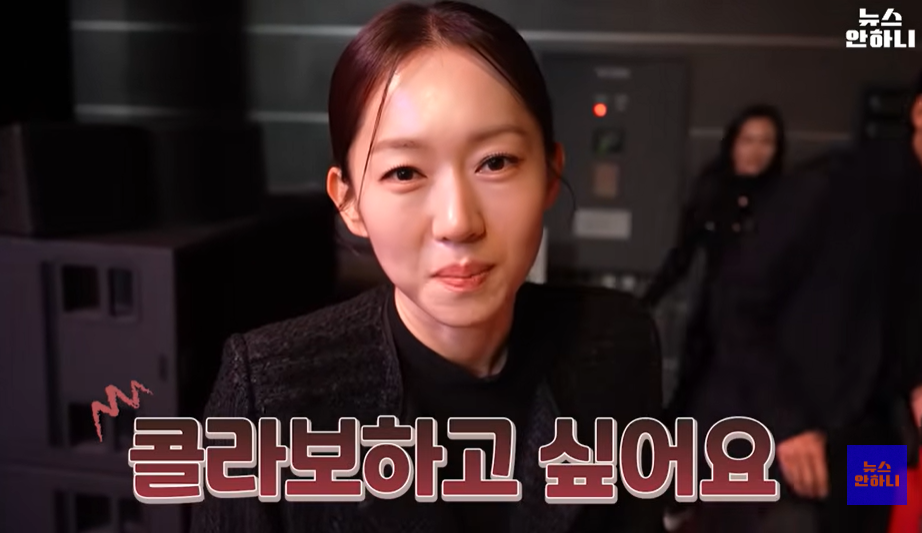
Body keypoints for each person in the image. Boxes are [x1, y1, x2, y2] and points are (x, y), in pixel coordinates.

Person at [190, 2, 663, 533]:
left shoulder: (614, 342)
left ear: (551, 174)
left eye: (496, 162)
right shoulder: (272, 395)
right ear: (348, 201)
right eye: (405, 172)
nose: (458, 222)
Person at [689, 71, 922, 533]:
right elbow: (736, 302)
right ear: (919, 112)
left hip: (874, 438)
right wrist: (787, 423)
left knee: (866, 524)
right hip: (777, 426)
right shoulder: (832, 183)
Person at [642, 105, 786, 430]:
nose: (756, 151)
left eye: (766, 142)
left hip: (766, 320)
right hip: (714, 314)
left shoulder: (785, 198)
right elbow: (681, 256)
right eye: (748, 140)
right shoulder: (712, 190)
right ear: (732, 143)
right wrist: (646, 302)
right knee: (691, 402)